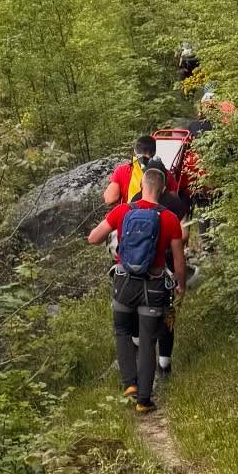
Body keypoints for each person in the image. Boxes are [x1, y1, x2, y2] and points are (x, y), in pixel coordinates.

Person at [87, 163, 186, 412]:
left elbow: (93, 238)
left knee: (122, 331)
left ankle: (129, 383)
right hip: (153, 286)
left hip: (124, 282)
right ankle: (144, 400)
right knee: (148, 339)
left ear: (141, 186)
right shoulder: (170, 219)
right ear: (162, 189)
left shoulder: (122, 211)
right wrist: (181, 286)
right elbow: (179, 260)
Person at [105, 134, 159, 208]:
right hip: (156, 213)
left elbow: (110, 199)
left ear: (135, 151)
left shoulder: (122, 170)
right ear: (155, 152)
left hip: (130, 212)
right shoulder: (164, 173)